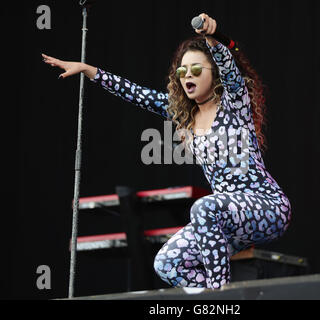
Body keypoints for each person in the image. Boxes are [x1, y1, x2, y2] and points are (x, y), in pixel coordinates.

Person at [42, 13, 292, 290]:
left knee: (204, 207)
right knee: (167, 262)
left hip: (266, 207)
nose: (187, 76)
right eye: (182, 71)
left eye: (196, 69)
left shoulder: (234, 103)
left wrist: (213, 38)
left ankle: (221, 300)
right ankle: (212, 297)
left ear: (215, 74)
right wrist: (89, 70)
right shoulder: (183, 114)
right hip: (227, 220)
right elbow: (136, 93)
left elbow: (228, 65)